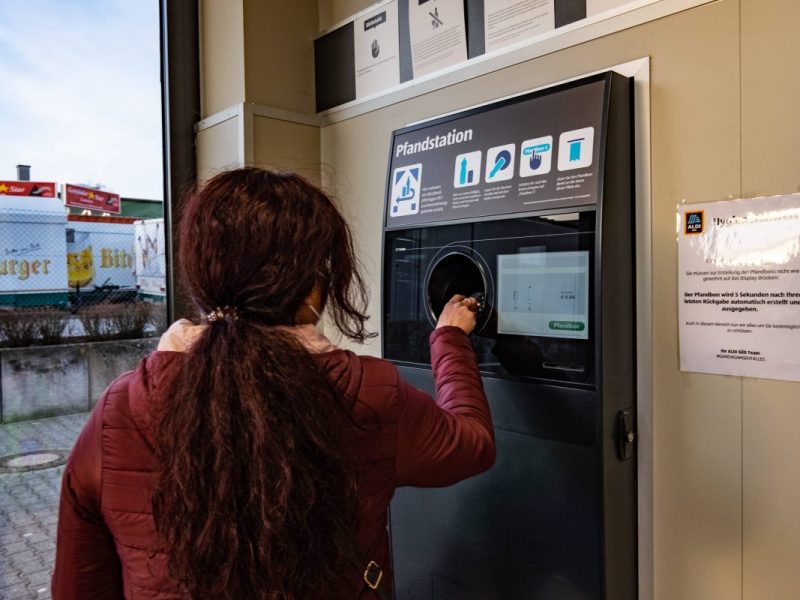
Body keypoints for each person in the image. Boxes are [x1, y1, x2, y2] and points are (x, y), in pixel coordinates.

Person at [52, 168, 495, 599]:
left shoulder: (121, 409)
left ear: (202, 276)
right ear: (311, 288)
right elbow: (472, 444)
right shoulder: (367, 393)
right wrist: (450, 337)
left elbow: (81, 581)